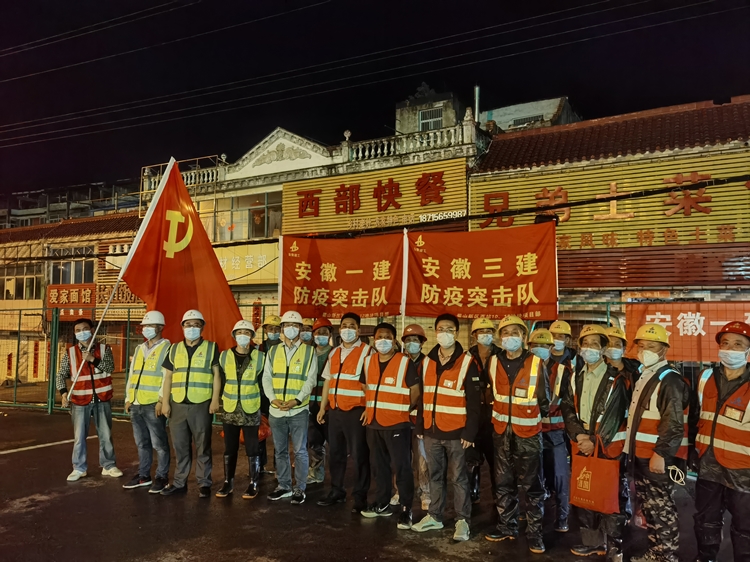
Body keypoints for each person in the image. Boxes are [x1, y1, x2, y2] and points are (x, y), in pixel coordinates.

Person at [561, 324, 629, 562]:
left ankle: (615, 546)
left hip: (608, 447)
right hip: (582, 443)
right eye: (585, 343)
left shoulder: (616, 378)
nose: (589, 348)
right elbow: (568, 407)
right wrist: (579, 435)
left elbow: (615, 415)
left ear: (603, 349)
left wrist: (594, 441)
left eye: (595, 344)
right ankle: (592, 542)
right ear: (579, 347)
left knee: (611, 497)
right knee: (586, 492)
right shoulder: (575, 376)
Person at [413, 314, 481, 542]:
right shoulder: (427, 362)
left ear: (457, 333)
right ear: (435, 332)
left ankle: (462, 520)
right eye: (441, 329)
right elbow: (423, 397)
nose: (445, 333)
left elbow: (474, 403)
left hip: (457, 434)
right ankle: (435, 516)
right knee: (435, 476)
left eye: (449, 329)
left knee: (459, 478)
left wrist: (469, 432)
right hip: (431, 432)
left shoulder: (467, 362)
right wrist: (420, 426)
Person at [484, 315, 549, 554]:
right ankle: (507, 526)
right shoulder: (493, 362)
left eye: (515, 332)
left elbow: (544, 400)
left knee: (533, 487)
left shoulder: (536, 363)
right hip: (501, 432)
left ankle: (535, 534)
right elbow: (490, 393)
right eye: (505, 333)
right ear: (500, 337)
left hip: (528, 434)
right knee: (503, 483)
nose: (509, 337)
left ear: (523, 336)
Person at [625, 324, 689, 562]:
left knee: (661, 509)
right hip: (642, 454)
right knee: (651, 508)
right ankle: (657, 552)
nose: (645, 351)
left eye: (651, 347)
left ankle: (666, 555)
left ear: (664, 349)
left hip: (655, 457)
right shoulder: (647, 374)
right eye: (641, 346)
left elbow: (673, 423)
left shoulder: (669, 379)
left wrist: (661, 454)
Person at [691, 321, 750, 562]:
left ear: (748, 351)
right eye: (725, 343)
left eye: (738, 344)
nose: (730, 349)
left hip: (743, 469)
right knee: (706, 519)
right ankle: (705, 557)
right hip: (708, 463)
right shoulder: (705, 377)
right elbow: (695, 417)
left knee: (745, 525)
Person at [361, 322, 420, 531]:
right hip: (374, 423)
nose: (383, 340)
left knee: (402, 468)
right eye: (379, 337)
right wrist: (370, 407)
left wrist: (404, 409)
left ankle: (406, 508)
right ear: (374, 339)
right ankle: (382, 503)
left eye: (387, 337)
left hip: (397, 424)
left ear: (394, 341)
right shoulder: (368, 361)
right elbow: (365, 386)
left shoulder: (404, 362)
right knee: (379, 466)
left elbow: (415, 390)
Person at [160, 309, 221, 498]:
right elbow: (168, 377)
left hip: (201, 404)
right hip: (177, 404)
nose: (192, 328)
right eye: (188, 324)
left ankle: (204, 483)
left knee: (203, 446)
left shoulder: (211, 347)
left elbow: (217, 376)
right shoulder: (174, 349)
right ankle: (179, 483)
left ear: (202, 327)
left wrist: (215, 400)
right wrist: (165, 402)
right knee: (180, 446)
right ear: (182, 327)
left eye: (196, 325)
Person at [316, 312, 373, 512]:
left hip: (356, 412)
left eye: (352, 326)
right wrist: (323, 407)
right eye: (344, 326)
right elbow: (328, 381)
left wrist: (369, 408)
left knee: (359, 455)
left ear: (358, 330)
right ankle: (337, 490)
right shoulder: (334, 353)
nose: (347, 329)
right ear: (339, 330)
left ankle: (360, 496)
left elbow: (372, 384)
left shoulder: (368, 352)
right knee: (336, 453)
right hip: (335, 411)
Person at [57, 318, 122, 482]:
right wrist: (63, 393)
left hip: (102, 399)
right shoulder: (70, 353)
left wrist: (93, 359)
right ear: (75, 333)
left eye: (85, 329)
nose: (82, 332)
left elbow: (110, 368)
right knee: (79, 437)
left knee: (106, 435)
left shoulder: (104, 349)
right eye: (78, 330)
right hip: (79, 401)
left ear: (92, 330)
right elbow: (61, 375)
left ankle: (108, 465)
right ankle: (79, 468)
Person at [263, 310, 317, 505]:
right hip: (276, 410)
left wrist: (297, 400)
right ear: (282, 328)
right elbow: (267, 377)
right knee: (280, 451)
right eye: (287, 325)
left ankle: (299, 488)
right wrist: (273, 399)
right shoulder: (273, 351)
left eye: (295, 325)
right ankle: (284, 486)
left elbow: (310, 380)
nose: (291, 328)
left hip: (298, 410)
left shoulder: (309, 351)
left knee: (300, 451)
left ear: (300, 329)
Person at [216, 320, 265, 500]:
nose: (243, 335)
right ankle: (228, 482)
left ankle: (253, 483)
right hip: (230, 408)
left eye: (247, 332)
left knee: (252, 448)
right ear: (234, 335)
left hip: (251, 408)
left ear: (252, 336)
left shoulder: (261, 357)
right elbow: (220, 380)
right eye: (239, 332)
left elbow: (263, 382)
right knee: (230, 448)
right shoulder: (224, 356)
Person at [123, 311, 171, 493]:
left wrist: (161, 400)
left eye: (150, 326)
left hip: (153, 404)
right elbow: (132, 374)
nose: (146, 329)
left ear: (160, 327)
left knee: (159, 444)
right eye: (144, 326)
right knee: (142, 442)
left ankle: (162, 477)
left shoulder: (167, 348)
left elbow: (167, 377)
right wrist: (128, 398)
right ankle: (143, 475)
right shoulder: (139, 348)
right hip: (136, 403)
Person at [529, 328, 571, 533]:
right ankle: (534, 519)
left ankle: (562, 517)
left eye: (544, 345)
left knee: (560, 477)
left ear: (551, 348)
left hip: (555, 432)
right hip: (530, 430)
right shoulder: (525, 368)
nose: (540, 349)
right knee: (534, 477)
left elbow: (568, 403)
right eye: (535, 345)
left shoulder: (562, 371)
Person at [466, 317, 500, 505]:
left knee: (496, 459)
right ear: (474, 335)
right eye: (481, 332)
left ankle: (498, 495)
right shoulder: (467, 357)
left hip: (495, 415)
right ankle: (473, 493)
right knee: (472, 458)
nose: (485, 335)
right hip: (474, 414)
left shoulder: (501, 355)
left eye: (489, 331)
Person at [402, 323, 431, 511]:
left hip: (420, 419)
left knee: (422, 460)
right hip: (401, 418)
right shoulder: (399, 362)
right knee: (401, 459)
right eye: (408, 340)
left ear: (421, 343)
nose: (411, 343)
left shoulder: (428, 363)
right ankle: (400, 491)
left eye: (415, 340)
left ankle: (426, 493)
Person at [308, 317, 333, 485]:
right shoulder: (307, 353)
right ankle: (316, 473)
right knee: (314, 441)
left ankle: (337, 477)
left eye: (324, 332)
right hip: (310, 404)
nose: (321, 335)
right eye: (318, 332)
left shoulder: (335, 353)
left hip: (329, 405)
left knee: (334, 442)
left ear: (330, 334)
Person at [257, 314, 282, 475]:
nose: (273, 331)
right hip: (261, 396)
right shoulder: (258, 349)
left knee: (279, 433)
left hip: (279, 396)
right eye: (270, 328)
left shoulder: (285, 348)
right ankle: (260, 465)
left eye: (276, 328)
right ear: (265, 330)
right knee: (260, 432)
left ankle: (279, 466)